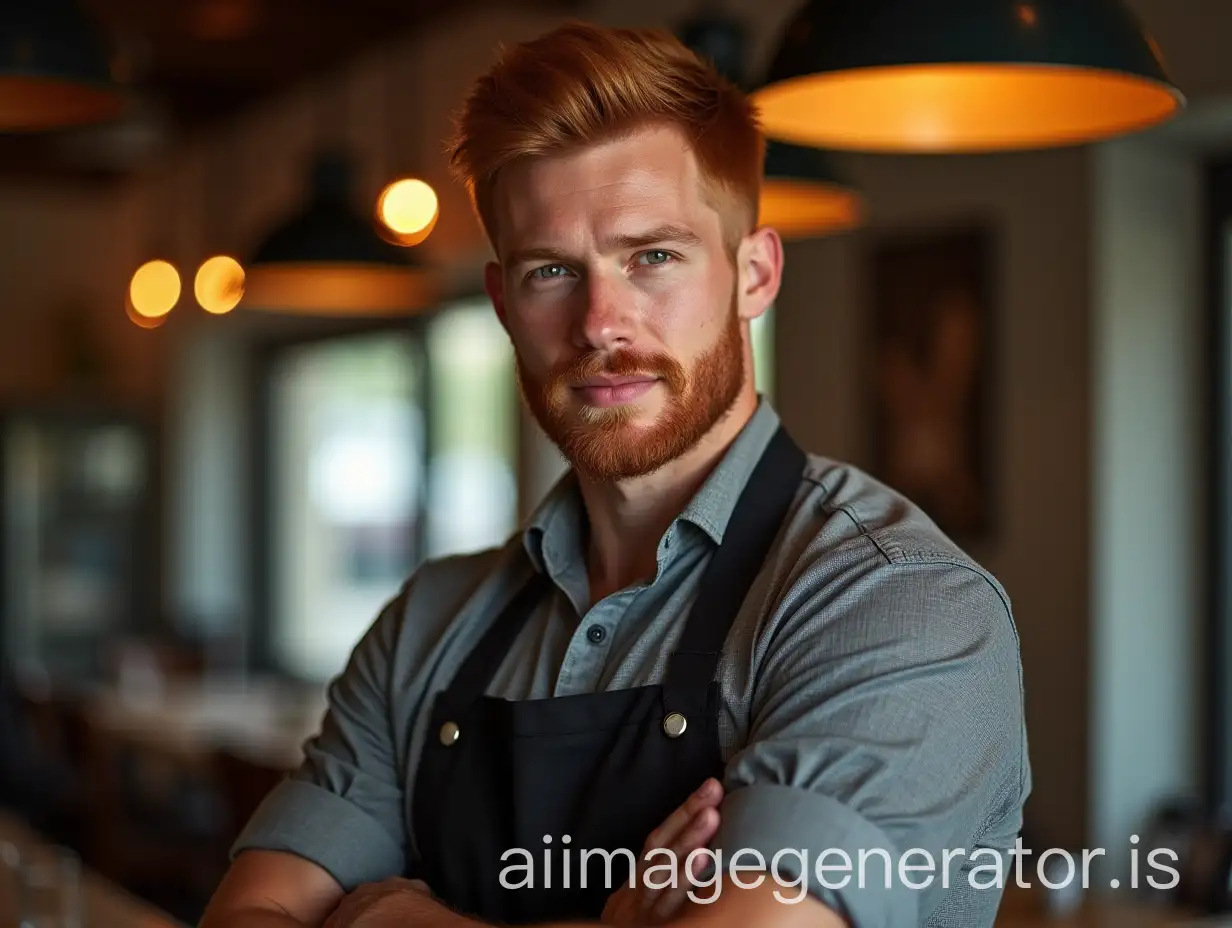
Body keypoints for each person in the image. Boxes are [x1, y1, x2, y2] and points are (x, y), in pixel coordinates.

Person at [199, 20, 1029, 928]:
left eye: (653, 257)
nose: (601, 321)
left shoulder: (897, 603)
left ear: (754, 274)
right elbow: (252, 913)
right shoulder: (429, 624)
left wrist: (384, 918)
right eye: (552, 271)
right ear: (503, 304)